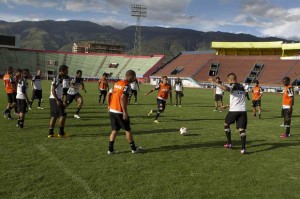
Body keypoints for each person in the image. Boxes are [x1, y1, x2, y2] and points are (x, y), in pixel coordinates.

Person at [209, 73, 247, 154]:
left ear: (231, 79)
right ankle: (243, 149)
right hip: (243, 111)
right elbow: (239, 100)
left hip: (234, 111)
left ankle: (229, 143)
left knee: (226, 124)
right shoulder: (242, 87)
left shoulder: (233, 85)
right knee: (242, 130)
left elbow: (226, 88)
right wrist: (227, 106)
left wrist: (214, 82)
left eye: (228, 80)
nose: (228, 81)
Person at [107, 70, 142, 154]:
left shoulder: (117, 83)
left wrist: (108, 105)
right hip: (119, 111)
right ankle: (133, 149)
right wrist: (125, 112)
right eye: (134, 77)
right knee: (128, 130)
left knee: (114, 130)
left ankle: (110, 150)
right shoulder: (126, 85)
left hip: (112, 110)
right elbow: (122, 98)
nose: (134, 79)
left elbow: (109, 94)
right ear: (130, 76)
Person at [48, 65, 69, 138]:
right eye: (66, 70)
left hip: (53, 98)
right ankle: (61, 133)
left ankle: (50, 133)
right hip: (55, 99)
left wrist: (62, 99)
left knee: (54, 116)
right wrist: (57, 100)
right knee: (63, 115)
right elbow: (53, 90)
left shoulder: (60, 78)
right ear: (62, 70)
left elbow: (58, 90)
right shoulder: (58, 78)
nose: (67, 72)